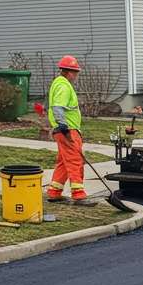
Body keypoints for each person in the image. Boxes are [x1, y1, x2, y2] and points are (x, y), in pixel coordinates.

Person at [47, 55, 87, 202]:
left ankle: (54, 191)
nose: (76, 75)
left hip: (65, 129)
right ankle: (78, 193)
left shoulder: (59, 83)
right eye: (75, 72)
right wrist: (62, 124)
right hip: (67, 129)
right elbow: (57, 106)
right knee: (75, 160)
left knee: (64, 161)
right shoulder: (63, 85)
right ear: (69, 72)